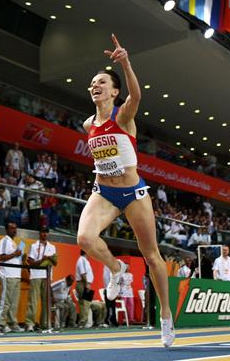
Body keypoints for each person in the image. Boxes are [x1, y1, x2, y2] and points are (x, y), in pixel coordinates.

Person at [76, 34, 174, 346]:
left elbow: (137, 95)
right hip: (103, 192)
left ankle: (166, 316)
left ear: (114, 91)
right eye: (92, 83)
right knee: (84, 238)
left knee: (153, 257)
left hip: (133, 193)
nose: (95, 86)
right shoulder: (88, 125)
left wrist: (125, 62)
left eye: (102, 82)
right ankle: (117, 269)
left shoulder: (124, 114)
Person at [25, 227, 57, 331]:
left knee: (46, 302)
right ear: (39, 234)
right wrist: (41, 260)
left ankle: (45, 323)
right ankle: (30, 323)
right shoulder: (33, 246)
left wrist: (50, 259)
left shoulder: (52, 247)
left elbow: (55, 263)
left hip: (47, 276)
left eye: (46, 232)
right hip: (35, 275)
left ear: (48, 234)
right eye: (42, 232)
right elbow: (30, 261)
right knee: (33, 301)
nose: (44, 234)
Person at [0, 222, 24, 333]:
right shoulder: (4, 241)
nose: (14, 230)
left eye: (15, 228)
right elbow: (0, 257)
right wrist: (15, 254)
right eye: (12, 228)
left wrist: (21, 257)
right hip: (7, 275)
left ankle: (12, 323)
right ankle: (0, 324)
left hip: (16, 275)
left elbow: (14, 258)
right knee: (5, 301)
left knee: (13, 302)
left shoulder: (13, 242)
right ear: (6, 230)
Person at [75, 250, 94, 328]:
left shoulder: (85, 260)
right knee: (84, 304)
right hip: (83, 284)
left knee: (87, 303)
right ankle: (83, 323)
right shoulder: (81, 260)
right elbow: (83, 273)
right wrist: (87, 284)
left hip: (87, 284)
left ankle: (87, 322)